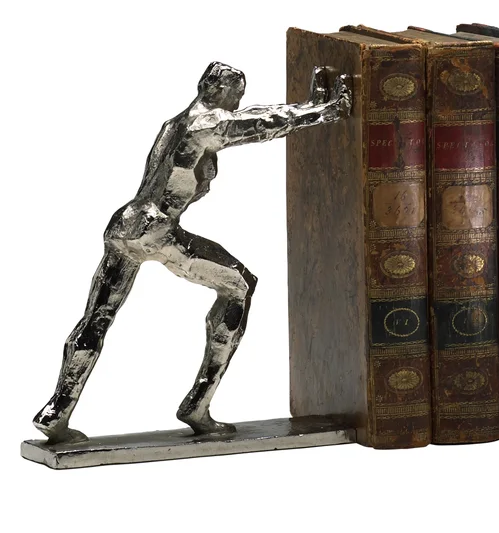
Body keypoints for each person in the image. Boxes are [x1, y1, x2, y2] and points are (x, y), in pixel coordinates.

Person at [34, 62, 350, 443]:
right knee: (239, 287)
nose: (237, 105)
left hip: (125, 224)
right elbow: (264, 124)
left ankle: (56, 411)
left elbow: (257, 118)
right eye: (236, 95)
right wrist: (323, 112)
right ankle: (198, 404)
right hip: (158, 231)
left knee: (97, 318)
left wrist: (310, 106)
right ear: (217, 91)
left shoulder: (175, 123)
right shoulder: (207, 123)